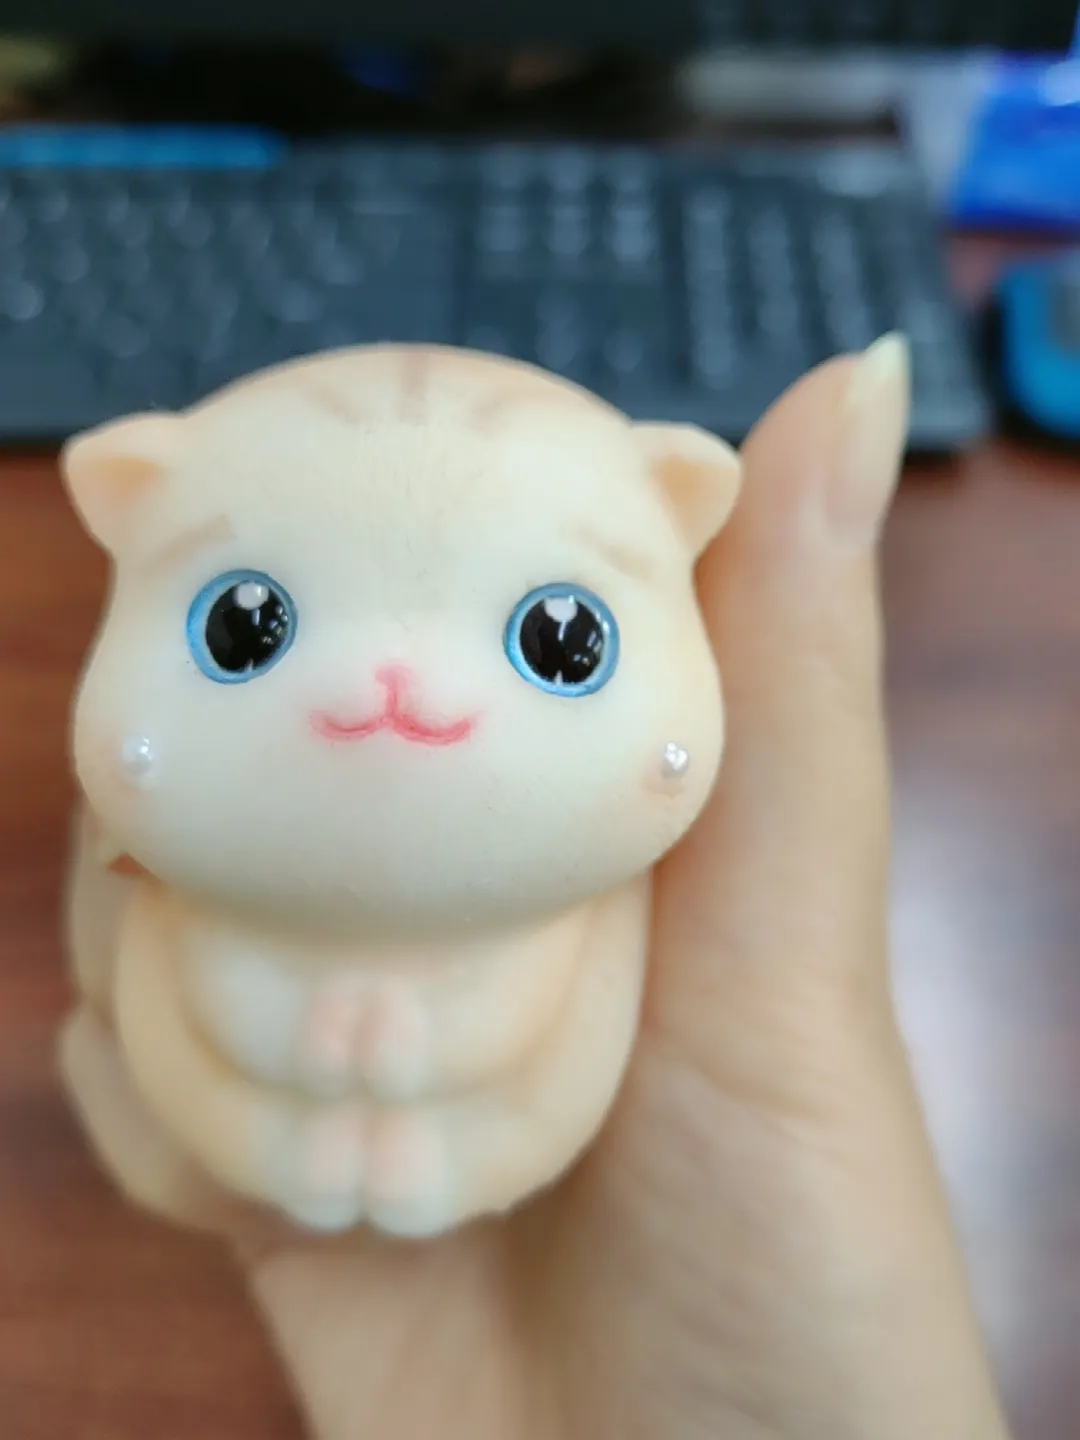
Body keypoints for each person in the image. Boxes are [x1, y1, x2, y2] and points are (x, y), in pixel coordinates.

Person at [61, 339, 1012, 1440]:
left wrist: (437, 1045)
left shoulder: (569, 919)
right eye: (246, 628)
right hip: (237, 1085)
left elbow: (543, 1049)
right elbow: (182, 1027)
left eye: (561, 644)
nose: (396, 683)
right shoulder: (199, 890)